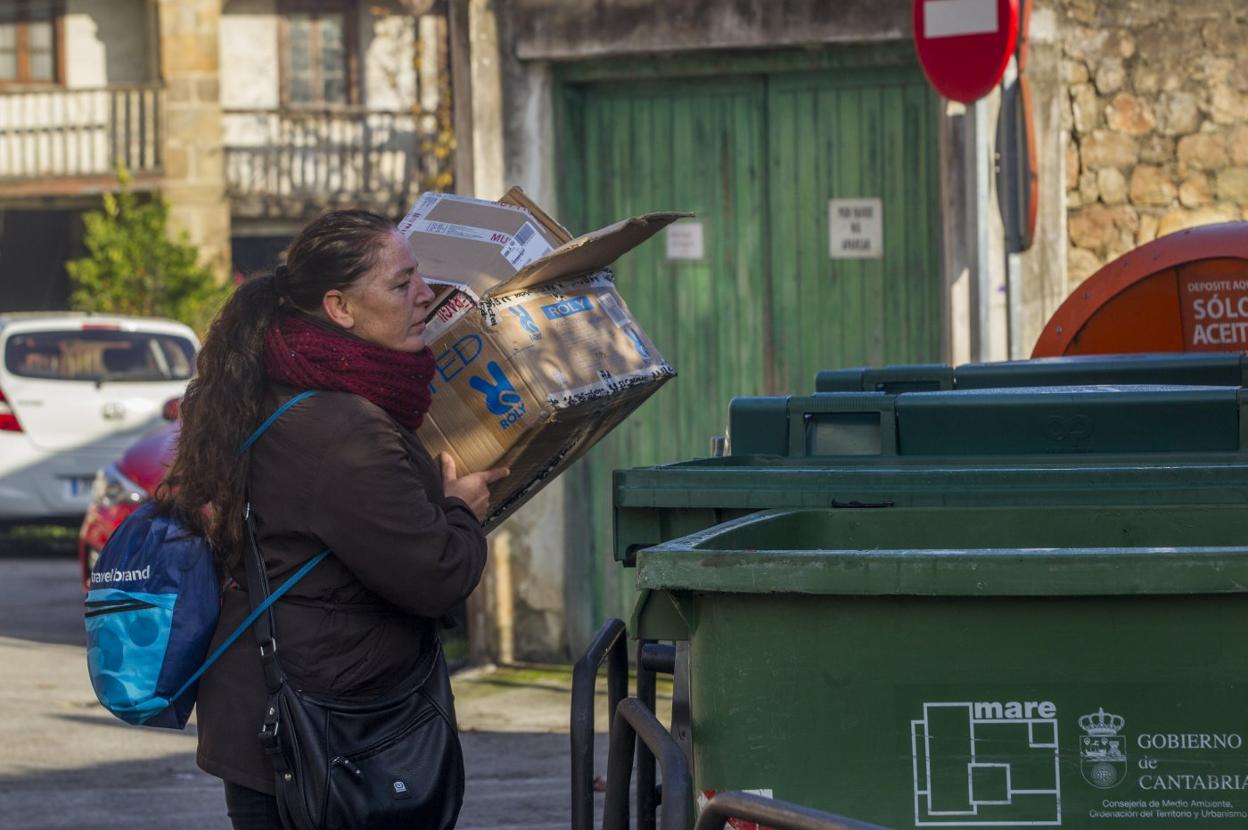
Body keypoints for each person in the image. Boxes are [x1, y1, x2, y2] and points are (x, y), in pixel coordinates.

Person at [156, 209, 507, 830]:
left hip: (283, 714)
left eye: (418, 276)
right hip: (318, 729)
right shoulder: (345, 431)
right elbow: (436, 575)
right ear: (339, 308)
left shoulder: (277, 384)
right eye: (400, 285)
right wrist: (460, 509)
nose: (425, 294)